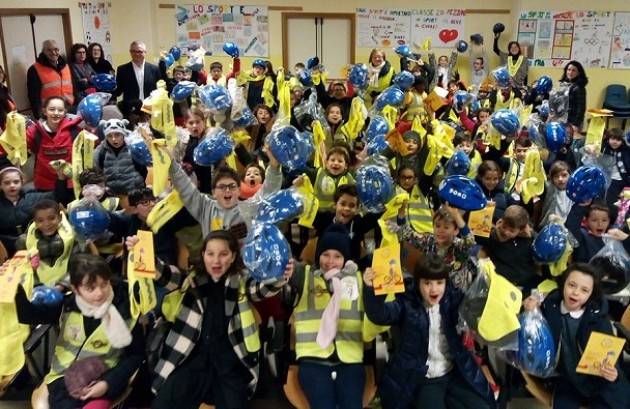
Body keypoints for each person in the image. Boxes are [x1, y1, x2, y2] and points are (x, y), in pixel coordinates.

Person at [147, 230, 294, 409]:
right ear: (203, 255)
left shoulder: (241, 282)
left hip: (230, 363)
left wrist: (281, 275)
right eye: (210, 254)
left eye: (223, 254)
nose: (216, 261)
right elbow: (164, 274)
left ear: (232, 257)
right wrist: (141, 250)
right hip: (191, 359)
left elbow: (262, 288)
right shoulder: (191, 280)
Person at [363, 255, 495, 409]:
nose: (434, 289)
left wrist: (487, 281)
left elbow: (479, 307)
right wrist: (370, 288)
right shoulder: (407, 303)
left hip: (455, 370)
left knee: (483, 405)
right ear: (418, 283)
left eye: (439, 283)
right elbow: (379, 314)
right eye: (427, 283)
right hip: (425, 376)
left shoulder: (453, 299)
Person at [14, 253, 144, 409]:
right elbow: (28, 315)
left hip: (100, 383)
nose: (100, 293)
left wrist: (107, 383)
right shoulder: (67, 305)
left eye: (104, 284)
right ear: (75, 289)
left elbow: (136, 355)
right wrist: (15, 287)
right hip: (61, 380)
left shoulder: (126, 312)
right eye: (90, 288)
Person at [523, 263, 629, 409]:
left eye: (585, 290)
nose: (576, 292)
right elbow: (529, 337)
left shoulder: (599, 321)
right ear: (563, 284)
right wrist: (529, 312)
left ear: (591, 294)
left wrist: (613, 374)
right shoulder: (548, 308)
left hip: (597, 381)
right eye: (572, 285)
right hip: (565, 380)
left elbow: (610, 359)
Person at [289, 224, 369, 409]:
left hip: (350, 359)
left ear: (345, 258)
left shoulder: (358, 279)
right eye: (325, 254)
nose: (330, 261)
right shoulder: (305, 275)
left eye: (337, 256)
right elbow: (283, 273)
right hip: (313, 359)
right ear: (318, 256)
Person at [0, 96, 83, 191]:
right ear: (44, 111)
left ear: (65, 112)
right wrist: (13, 129)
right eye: (52, 109)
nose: (56, 113)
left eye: (60, 110)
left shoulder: (75, 131)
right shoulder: (34, 132)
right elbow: (15, 147)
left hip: (69, 184)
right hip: (45, 185)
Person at [0, 167, 69, 256]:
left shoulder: (32, 197)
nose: (12, 185)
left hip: (34, 247)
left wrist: (61, 179)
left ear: (22, 182)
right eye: (7, 183)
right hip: (6, 249)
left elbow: (57, 196)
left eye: (16, 182)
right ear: (0, 185)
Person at [93, 118, 147, 195]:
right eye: (109, 136)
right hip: (111, 196)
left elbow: (144, 171)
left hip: (134, 194)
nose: (114, 139)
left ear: (123, 134)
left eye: (117, 135)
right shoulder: (99, 152)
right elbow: (97, 174)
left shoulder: (134, 148)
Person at [27, 39, 74, 118]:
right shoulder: (34, 69)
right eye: (49, 50)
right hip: (49, 113)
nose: (53, 53)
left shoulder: (65, 66)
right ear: (43, 51)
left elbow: (73, 87)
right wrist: (38, 116)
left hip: (69, 109)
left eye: (56, 50)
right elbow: (33, 96)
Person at [114, 41, 162, 117]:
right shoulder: (122, 70)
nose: (136, 54)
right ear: (130, 52)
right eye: (133, 51)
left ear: (145, 52)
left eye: (139, 51)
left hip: (151, 111)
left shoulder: (154, 69)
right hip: (130, 112)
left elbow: (161, 90)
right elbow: (118, 91)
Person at [560, 60, 588, 131]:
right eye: (569, 70)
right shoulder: (564, 85)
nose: (570, 72)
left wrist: (576, 124)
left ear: (578, 73)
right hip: (563, 119)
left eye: (573, 70)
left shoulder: (579, 88)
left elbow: (581, 108)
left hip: (573, 122)